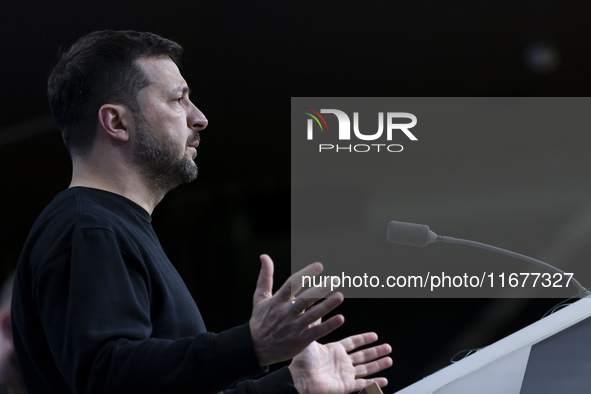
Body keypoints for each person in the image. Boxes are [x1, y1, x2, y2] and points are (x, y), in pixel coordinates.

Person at [11, 30, 392, 394]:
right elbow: (109, 380)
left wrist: (295, 385)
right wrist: (251, 345)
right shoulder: (88, 229)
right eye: (178, 100)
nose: (199, 117)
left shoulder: (108, 228)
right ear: (116, 122)